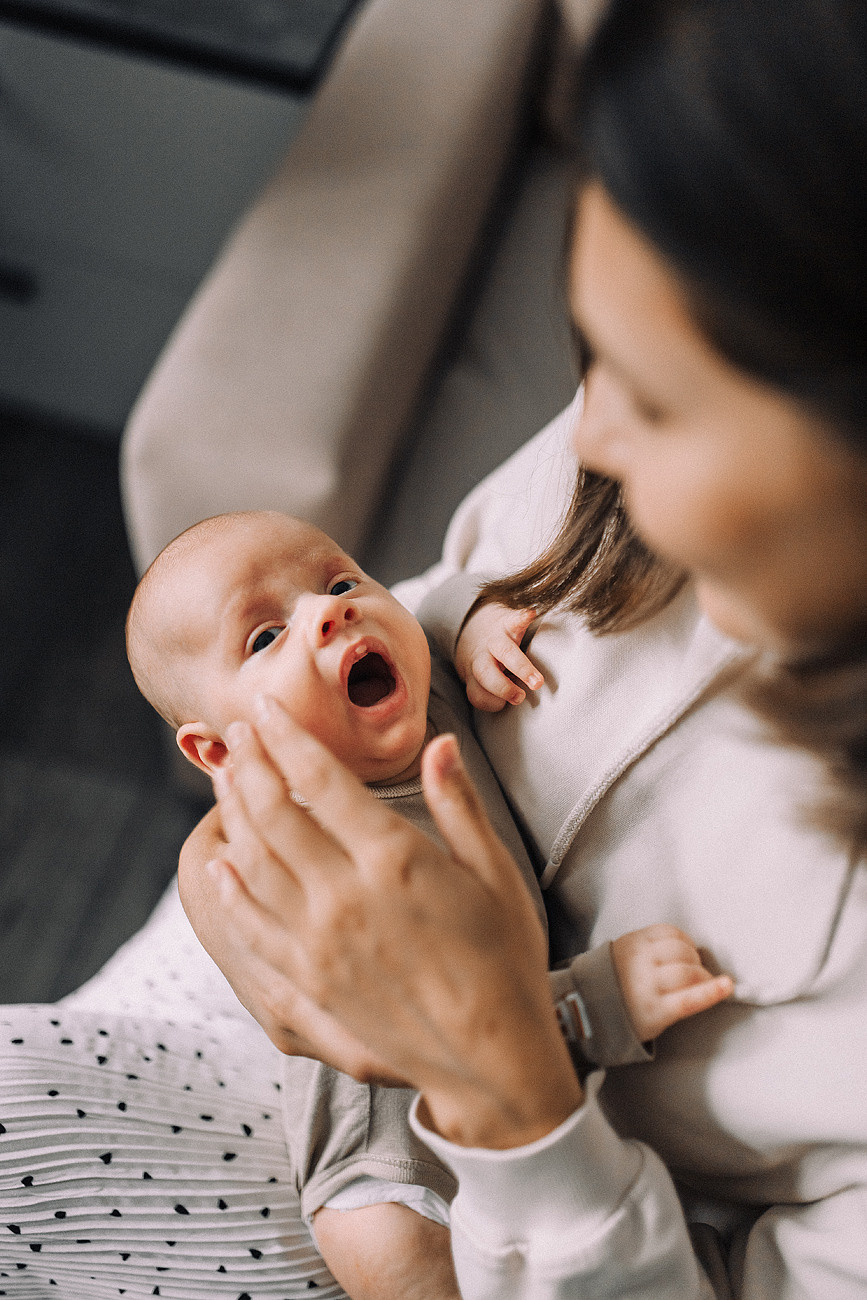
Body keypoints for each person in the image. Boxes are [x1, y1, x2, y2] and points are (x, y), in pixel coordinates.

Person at [176, 0, 867, 1296]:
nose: (583, 438)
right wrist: (225, 885)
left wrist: (503, 1097)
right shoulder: (627, 463)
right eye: (585, 357)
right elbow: (440, 588)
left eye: (654, 399)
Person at [0, 509, 728, 1298]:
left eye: (341, 580)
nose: (330, 610)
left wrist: (476, 621)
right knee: (386, 1255)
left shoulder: (429, 686)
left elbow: (435, 597)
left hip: (509, 1083)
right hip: (375, 1142)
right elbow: (423, 1021)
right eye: (264, 638)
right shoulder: (290, 849)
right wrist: (600, 1000)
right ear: (219, 752)